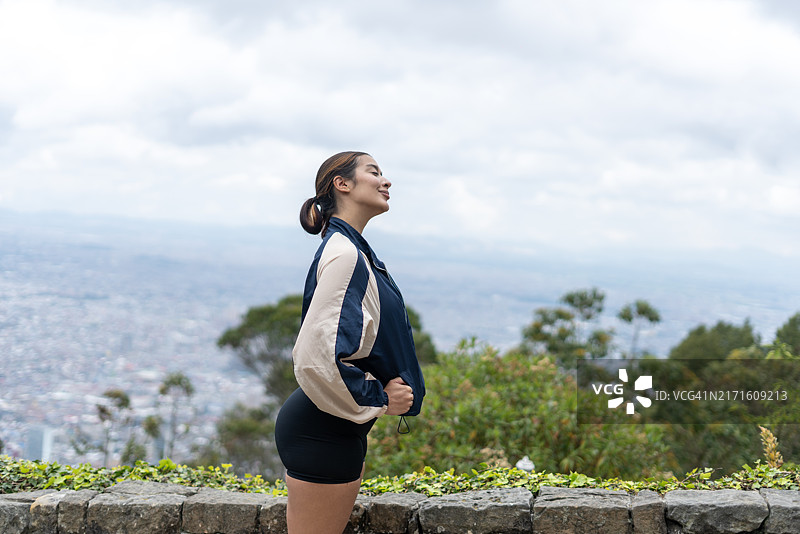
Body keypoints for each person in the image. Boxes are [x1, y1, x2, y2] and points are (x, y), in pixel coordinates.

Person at [274, 151, 426, 534]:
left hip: (335, 429)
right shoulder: (345, 255)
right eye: (373, 172)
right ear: (343, 184)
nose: (385, 181)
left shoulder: (351, 249)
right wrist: (380, 397)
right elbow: (315, 357)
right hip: (322, 431)